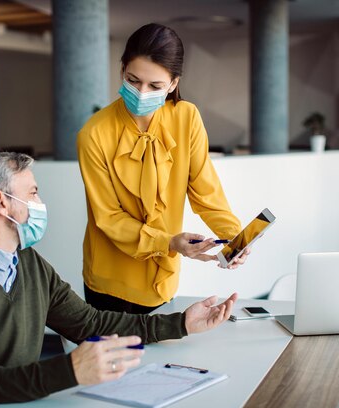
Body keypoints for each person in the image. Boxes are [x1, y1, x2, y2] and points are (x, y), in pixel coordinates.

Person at [0, 152, 237, 408]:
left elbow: (90, 323)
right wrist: (69, 371)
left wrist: (180, 323)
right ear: (0, 202)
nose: (39, 203)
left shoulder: (28, 262)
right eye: (32, 193)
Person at [77, 23, 247, 314]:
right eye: (133, 80)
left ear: (173, 84)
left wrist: (234, 236)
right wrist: (168, 242)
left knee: (160, 359)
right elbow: (108, 217)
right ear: (122, 71)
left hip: (162, 274)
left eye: (155, 86)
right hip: (110, 280)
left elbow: (205, 188)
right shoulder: (94, 133)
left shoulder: (187, 117)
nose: (142, 93)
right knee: (117, 359)